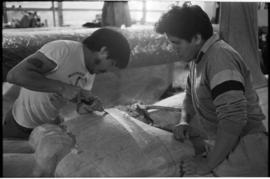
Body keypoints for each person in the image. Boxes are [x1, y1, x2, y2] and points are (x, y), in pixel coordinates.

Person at [155, 4, 268, 177]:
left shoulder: (220, 59)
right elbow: (189, 95)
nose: (172, 48)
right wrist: (185, 119)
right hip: (228, 146)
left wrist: (206, 165)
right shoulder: (197, 59)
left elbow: (233, 120)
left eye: (176, 43)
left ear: (197, 38)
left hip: (246, 150)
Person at [4, 28, 131, 140]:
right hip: (20, 126)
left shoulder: (90, 72)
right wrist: (62, 88)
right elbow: (15, 75)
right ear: (104, 51)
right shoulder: (63, 50)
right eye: (112, 64)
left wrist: (87, 106)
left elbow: (78, 101)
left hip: (47, 126)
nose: (108, 70)